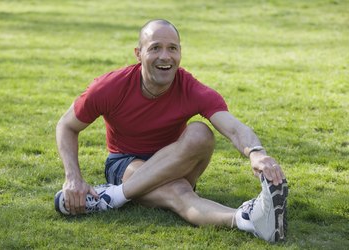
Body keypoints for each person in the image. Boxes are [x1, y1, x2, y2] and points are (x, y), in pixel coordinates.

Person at [54, 19, 288, 243]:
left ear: (180, 53)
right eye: (155, 48)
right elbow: (67, 125)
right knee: (179, 192)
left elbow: (234, 128)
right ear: (138, 53)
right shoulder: (110, 87)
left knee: (200, 132)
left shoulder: (192, 89)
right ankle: (247, 219)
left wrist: (257, 152)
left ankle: (112, 198)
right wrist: (73, 177)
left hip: (177, 162)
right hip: (126, 163)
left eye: (172, 48)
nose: (164, 56)